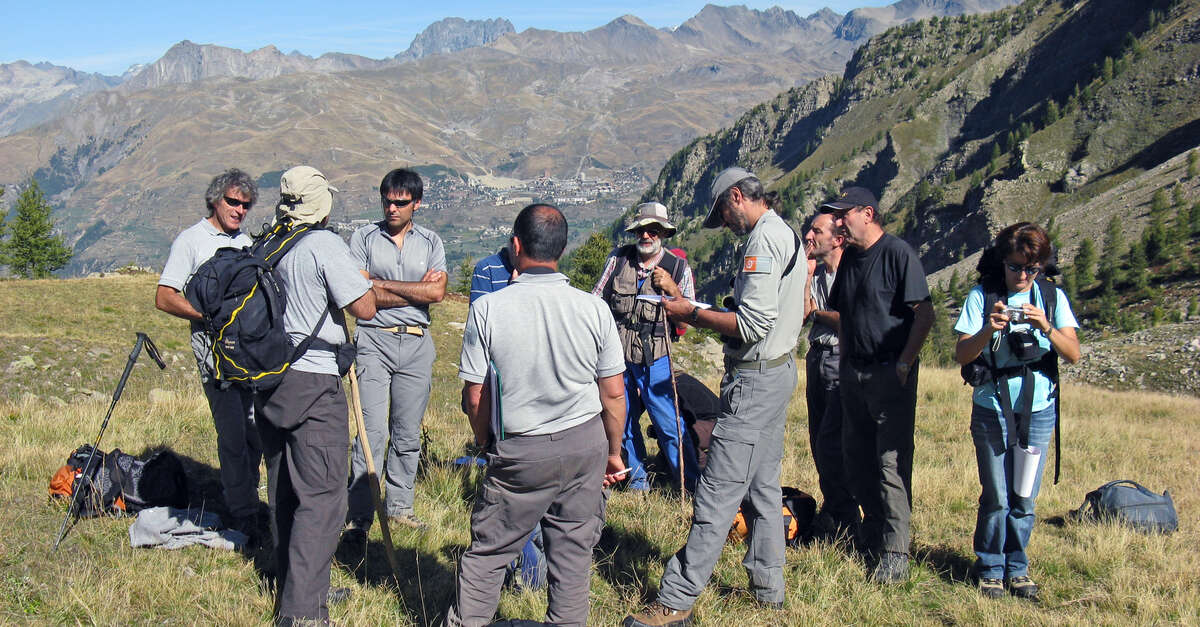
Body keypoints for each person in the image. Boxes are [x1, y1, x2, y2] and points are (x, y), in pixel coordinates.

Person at [625, 167, 805, 626]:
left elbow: (750, 325)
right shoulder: (785, 231)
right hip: (779, 370)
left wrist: (691, 313)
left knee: (718, 491)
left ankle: (675, 600)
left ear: (738, 197)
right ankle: (769, 589)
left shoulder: (763, 242)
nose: (724, 224)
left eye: (723, 213)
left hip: (754, 380)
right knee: (763, 487)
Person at [446, 204, 627, 627]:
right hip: (585, 445)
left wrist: (485, 441)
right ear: (562, 249)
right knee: (573, 554)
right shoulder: (594, 308)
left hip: (522, 448)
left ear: (516, 246)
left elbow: (475, 396)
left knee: (490, 553)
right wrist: (613, 451)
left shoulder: (490, 309)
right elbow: (613, 393)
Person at [253, 166, 376, 625]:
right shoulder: (322, 244)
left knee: (285, 490)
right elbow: (361, 306)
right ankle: (303, 613)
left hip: (269, 381)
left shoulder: (268, 242)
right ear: (321, 203)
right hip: (314, 383)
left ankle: (297, 589)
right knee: (324, 498)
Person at [953, 222, 1080, 601]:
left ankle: (1017, 567)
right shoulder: (982, 297)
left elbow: (1073, 353)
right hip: (992, 408)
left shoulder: (1052, 299)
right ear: (1002, 263)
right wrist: (988, 331)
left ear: (1041, 267)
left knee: (1024, 496)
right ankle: (990, 566)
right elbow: (961, 354)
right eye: (1014, 267)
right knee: (996, 495)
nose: (1022, 275)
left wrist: (1045, 325)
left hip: (1038, 409)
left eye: (1031, 268)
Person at [823, 186, 932, 584]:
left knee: (890, 463)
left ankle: (895, 550)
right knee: (857, 458)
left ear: (867, 214)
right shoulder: (851, 257)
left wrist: (905, 362)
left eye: (843, 214)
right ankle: (872, 534)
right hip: (854, 372)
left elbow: (924, 313)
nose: (838, 222)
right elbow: (845, 312)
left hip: (890, 374)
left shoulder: (898, 254)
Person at [155, 168, 264, 537]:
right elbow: (165, 296)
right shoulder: (191, 241)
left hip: (250, 353)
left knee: (255, 433)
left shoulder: (245, 241)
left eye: (245, 205)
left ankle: (247, 496)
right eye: (232, 202)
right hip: (215, 355)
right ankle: (242, 510)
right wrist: (205, 315)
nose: (239, 210)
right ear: (215, 200)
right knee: (233, 432)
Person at [345, 168, 447, 535]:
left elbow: (436, 293)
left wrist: (378, 283)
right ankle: (360, 513)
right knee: (370, 433)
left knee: (406, 431)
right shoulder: (363, 237)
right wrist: (410, 289)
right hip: (373, 339)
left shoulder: (432, 242)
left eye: (401, 203)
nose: (392, 208)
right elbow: (359, 295)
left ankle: (400, 506)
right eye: (387, 201)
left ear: (416, 204)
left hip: (417, 342)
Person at [593, 201, 699, 491]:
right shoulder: (617, 260)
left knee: (668, 423)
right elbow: (596, 301)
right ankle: (638, 481)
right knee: (621, 420)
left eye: (653, 230)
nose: (646, 236)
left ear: (663, 233)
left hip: (657, 357)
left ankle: (688, 483)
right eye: (642, 230)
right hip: (616, 355)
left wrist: (672, 290)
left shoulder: (677, 268)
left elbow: (687, 319)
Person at [802, 211, 859, 540]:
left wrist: (819, 314)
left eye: (817, 231)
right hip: (817, 356)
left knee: (833, 441)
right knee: (817, 437)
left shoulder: (851, 274)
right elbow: (802, 315)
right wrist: (807, 278)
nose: (810, 235)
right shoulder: (818, 273)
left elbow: (849, 321)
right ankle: (835, 508)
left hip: (841, 359)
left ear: (837, 239)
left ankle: (845, 513)